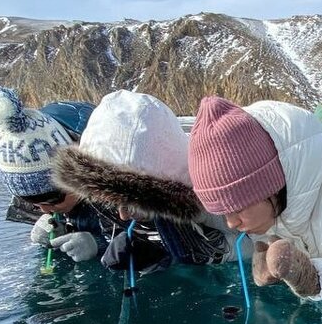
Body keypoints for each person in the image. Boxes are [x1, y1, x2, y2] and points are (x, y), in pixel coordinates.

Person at [187, 95, 322, 300]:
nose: (231, 222)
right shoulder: (269, 205)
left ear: (269, 186)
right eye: (223, 212)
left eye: (237, 208)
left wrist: (310, 278)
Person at [52, 89, 232, 271]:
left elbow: (252, 241)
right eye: (112, 202)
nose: (122, 215)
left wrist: (195, 253)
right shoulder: (104, 197)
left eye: (133, 204)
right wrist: (100, 244)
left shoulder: (211, 196)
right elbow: (110, 228)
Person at [0, 87, 109, 264]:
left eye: (51, 198)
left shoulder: (122, 192)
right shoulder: (32, 184)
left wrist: (101, 245)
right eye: (31, 201)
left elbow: (154, 240)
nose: (44, 210)